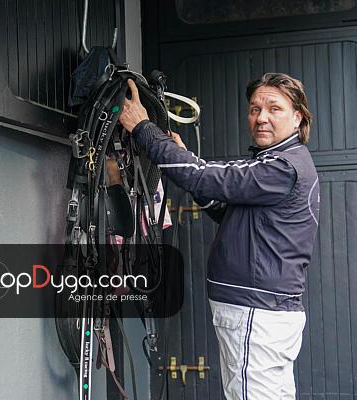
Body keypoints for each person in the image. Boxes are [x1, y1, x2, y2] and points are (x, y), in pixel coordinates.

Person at [119, 73, 319, 399]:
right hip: (260, 313)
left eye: (274, 108)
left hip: (256, 315)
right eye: (254, 109)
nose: (261, 117)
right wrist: (183, 161)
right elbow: (225, 209)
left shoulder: (282, 166)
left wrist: (143, 128)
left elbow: (206, 178)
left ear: (297, 117)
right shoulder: (276, 163)